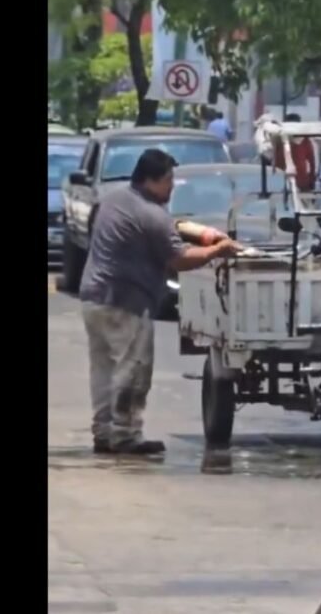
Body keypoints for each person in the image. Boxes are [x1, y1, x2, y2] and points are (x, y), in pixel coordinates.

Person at [79, 149, 244, 455]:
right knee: (133, 370)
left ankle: (104, 433)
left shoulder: (114, 200)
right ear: (151, 180)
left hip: (93, 297)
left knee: (102, 370)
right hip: (125, 302)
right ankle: (126, 436)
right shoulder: (152, 215)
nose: (171, 187)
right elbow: (179, 259)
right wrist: (219, 249)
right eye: (168, 180)